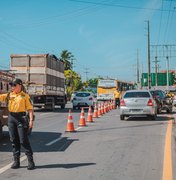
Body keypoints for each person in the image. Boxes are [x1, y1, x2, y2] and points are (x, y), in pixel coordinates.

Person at [0, 78, 35, 170]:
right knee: (14, 140)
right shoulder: (9, 95)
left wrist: (31, 120)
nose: (12, 87)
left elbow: (30, 109)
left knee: (23, 140)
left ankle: (31, 161)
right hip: (11, 118)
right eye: (12, 85)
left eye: (14, 85)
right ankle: (16, 162)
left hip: (21, 119)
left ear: (19, 85)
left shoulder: (25, 96)